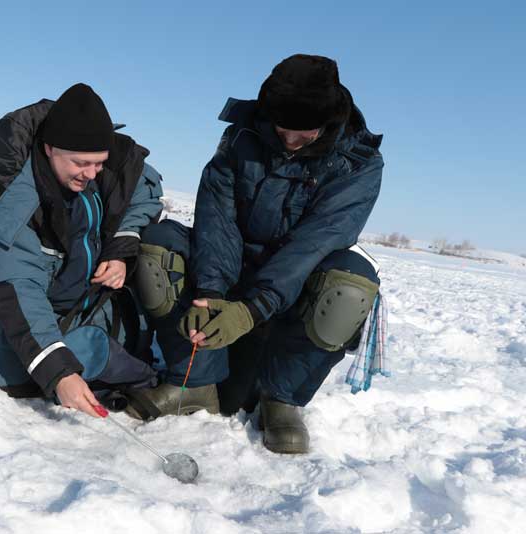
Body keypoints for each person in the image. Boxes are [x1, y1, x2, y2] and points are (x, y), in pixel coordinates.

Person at [129, 54, 384, 454]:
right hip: (233, 273)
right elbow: (217, 218)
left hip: (294, 283)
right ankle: (195, 382)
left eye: (305, 134)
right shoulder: (242, 137)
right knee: (158, 248)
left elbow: (315, 244)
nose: (289, 141)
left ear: (329, 122)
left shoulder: (359, 161)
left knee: (350, 286)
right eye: (283, 130)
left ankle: (281, 398)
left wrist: (252, 308)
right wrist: (211, 292)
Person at [0, 83, 164, 419]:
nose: (91, 173)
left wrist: (120, 248)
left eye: (99, 164)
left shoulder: (101, 169)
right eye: (81, 163)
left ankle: (117, 362)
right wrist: (59, 372)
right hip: (39, 307)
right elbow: (20, 287)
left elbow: (145, 188)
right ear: (49, 149)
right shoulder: (15, 202)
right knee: (5, 372)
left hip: (90, 302)